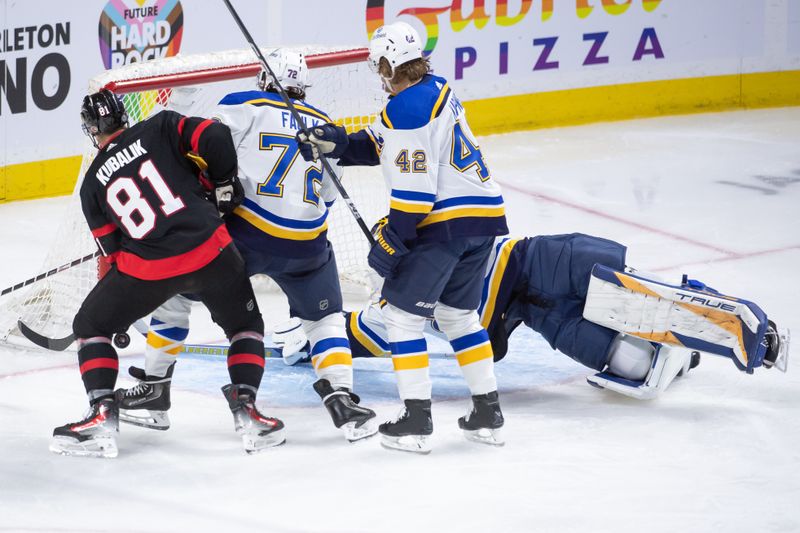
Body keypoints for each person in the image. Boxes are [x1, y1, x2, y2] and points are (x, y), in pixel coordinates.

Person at [115, 50, 378, 443]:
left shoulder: (243, 105)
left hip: (246, 236)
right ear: (302, 87)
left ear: (262, 78)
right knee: (325, 320)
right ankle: (342, 398)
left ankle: (155, 390)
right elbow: (326, 196)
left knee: (176, 296)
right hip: (308, 244)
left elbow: (203, 152)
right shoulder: (326, 125)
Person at [297, 22, 509, 453]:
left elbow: (416, 193)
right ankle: (488, 413)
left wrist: (394, 241)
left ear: (391, 62)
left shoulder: (407, 109)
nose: (379, 72)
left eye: (380, 64)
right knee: (457, 317)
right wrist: (333, 141)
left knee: (400, 317)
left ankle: (416, 420)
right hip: (483, 221)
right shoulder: (436, 89)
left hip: (444, 226)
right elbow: (377, 143)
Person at [51, 89, 283, 458]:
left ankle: (102, 416)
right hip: (212, 251)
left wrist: (123, 305)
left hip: (151, 269)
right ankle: (249, 412)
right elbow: (216, 136)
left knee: (91, 327)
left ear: (91, 128)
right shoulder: (161, 125)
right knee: (245, 327)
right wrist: (224, 183)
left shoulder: (92, 182)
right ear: (123, 116)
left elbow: (114, 252)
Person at [327, 233, 788, 399]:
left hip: (544, 263)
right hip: (537, 314)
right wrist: (320, 333)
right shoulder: (397, 307)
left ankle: (746, 329)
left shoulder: (440, 237)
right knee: (635, 365)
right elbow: (363, 333)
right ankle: (684, 358)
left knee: (642, 300)